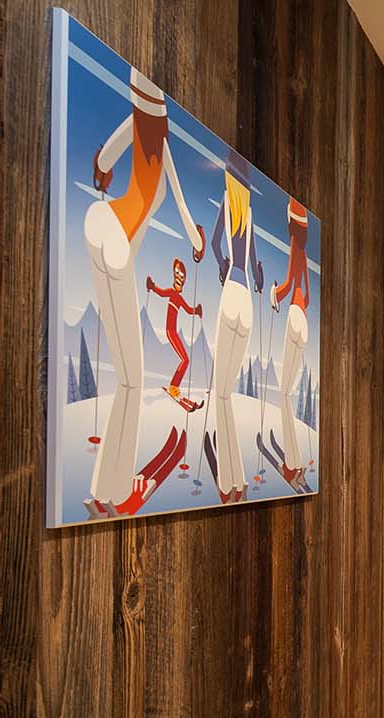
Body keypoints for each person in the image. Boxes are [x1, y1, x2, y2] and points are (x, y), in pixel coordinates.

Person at [85, 67, 204, 515]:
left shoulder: (137, 127)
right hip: (115, 240)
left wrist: (102, 172)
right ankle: (117, 493)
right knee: (132, 381)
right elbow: (182, 206)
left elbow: (103, 160)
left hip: (100, 226)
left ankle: (105, 488)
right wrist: (196, 242)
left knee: (127, 378)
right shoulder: (157, 138)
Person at [207, 151, 263, 503]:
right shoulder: (251, 212)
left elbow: (216, 244)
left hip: (231, 292)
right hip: (248, 305)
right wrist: (258, 278)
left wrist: (222, 264)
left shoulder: (229, 202)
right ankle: (238, 480)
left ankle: (228, 482)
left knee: (222, 392)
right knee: (227, 392)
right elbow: (256, 266)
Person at [269, 198, 310, 486]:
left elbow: (289, 283)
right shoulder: (306, 255)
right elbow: (306, 294)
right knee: (288, 393)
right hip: (304, 319)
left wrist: (275, 293)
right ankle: (296, 462)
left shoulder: (296, 248)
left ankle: (291, 464)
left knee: (283, 393)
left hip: (295, 316)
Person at [147, 259, 204, 411]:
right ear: (174, 274)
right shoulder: (172, 292)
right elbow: (161, 293)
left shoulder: (178, 297)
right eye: (177, 273)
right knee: (185, 360)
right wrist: (152, 286)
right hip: (170, 331)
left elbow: (188, 309)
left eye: (182, 275)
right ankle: (173, 386)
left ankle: (174, 386)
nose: (179, 277)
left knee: (185, 360)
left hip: (173, 332)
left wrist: (196, 311)